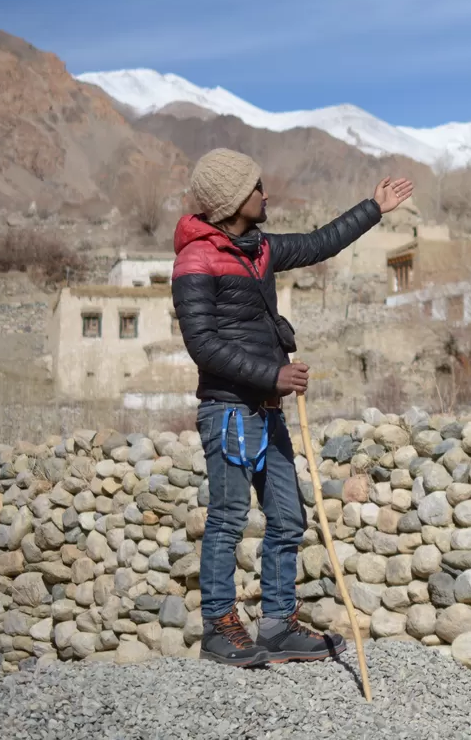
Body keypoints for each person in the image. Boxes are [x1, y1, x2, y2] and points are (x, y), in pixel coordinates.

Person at [171, 148, 413, 667]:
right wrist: (274, 375)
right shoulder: (195, 259)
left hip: (267, 409)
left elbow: (319, 243)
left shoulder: (260, 249)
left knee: (287, 516)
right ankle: (218, 628)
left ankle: (277, 625)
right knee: (230, 515)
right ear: (236, 200)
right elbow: (203, 345)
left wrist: (374, 208)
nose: (266, 195)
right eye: (257, 188)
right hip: (230, 410)